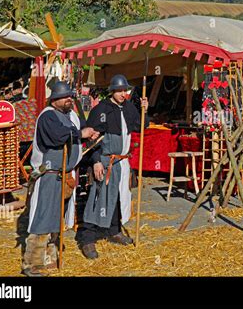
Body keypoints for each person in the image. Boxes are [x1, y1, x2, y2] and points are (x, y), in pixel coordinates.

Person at [22, 81, 98, 277]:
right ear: (54, 99)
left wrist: (88, 135)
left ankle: (50, 258)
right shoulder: (47, 115)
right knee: (43, 220)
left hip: (65, 176)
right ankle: (32, 264)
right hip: (48, 175)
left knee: (57, 220)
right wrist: (81, 133)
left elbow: (77, 134)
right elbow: (57, 137)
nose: (69, 100)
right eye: (65, 97)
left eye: (71, 96)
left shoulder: (71, 115)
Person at [76, 74, 149, 259]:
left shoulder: (129, 107)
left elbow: (141, 126)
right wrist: (97, 160)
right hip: (106, 161)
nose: (123, 93)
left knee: (117, 197)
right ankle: (87, 239)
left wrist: (144, 110)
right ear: (112, 91)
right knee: (97, 198)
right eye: (120, 91)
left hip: (122, 162)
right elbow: (92, 139)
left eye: (125, 90)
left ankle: (114, 231)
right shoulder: (101, 109)